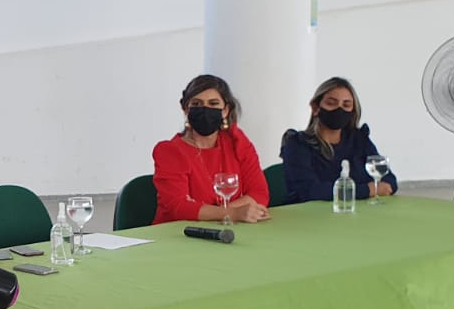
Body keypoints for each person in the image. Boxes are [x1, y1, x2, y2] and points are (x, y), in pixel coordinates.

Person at [152, 74, 270, 225]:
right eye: (197, 104)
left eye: (213, 104)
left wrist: (218, 213)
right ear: (186, 109)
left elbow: (259, 193)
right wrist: (232, 213)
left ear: (225, 110)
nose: (205, 109)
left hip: (225, 229)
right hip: (176, 232)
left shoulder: (236, 141)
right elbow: (179, 207)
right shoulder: (169, 151)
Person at [280, 77, 398, 204]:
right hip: (310, 214)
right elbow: (309, 192)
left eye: (346, 105)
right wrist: (367, 190)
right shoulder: (297, 144)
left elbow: (388, 181)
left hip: (358, 212)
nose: (339, 109)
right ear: (315, 107)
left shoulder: (359, 139)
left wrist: (353, 191)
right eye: (331, 103)